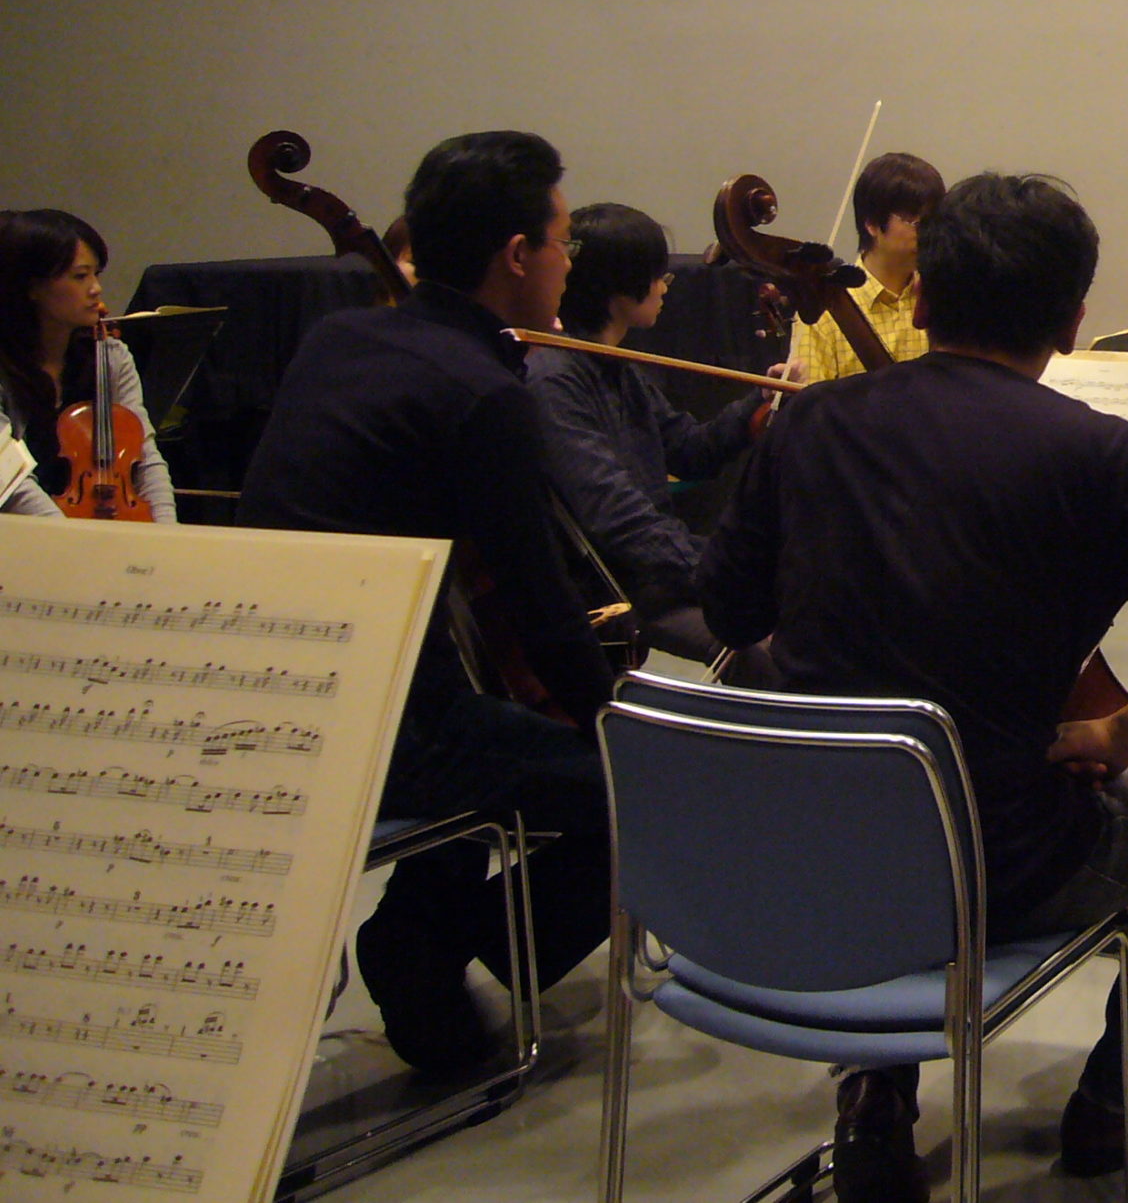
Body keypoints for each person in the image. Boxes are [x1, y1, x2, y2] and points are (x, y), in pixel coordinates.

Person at [697, 172, 1128, 1196]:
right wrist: (1120, 733)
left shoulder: (807, 423)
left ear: (923, 299)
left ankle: (874, 1093)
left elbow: (725, 609)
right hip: (991, 861)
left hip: (799, 852)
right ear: (1071, 323)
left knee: (895, 788)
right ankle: (1118, 1107)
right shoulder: (1097, 455)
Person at [239, 132, 614, 1076]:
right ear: (518, 254)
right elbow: (541, 604)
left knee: (487, 732)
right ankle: (425, 942)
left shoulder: (340, 337)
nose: (569, 262)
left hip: (267, 690)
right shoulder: (481, 389)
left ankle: (420, 946)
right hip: (379, 726)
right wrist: (622, 728)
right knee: (642, 799)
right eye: (563, 241)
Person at [526, 203, 768, 665]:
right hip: (621, 595)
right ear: (619, 284)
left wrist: (760, 402)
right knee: (767, 650)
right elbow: (619, 520)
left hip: (658, 578)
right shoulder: (555, 378)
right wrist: (721, 570)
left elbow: (692, 451)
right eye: (657, 275)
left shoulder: (619, 368)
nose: (664, 286)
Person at [0, 209, 175, 522]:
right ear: (31, 287)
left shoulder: (110, 355)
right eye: (80, 276)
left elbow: (145, 457)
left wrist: (165, 532)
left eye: (97, 274)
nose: (96, 288)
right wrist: (74, 541)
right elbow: (11, 483)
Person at [787, 151, 944, 381]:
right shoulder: (824, 310)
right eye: (917, 222)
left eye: (934, 222)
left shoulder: (940, 301)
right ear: (872, 223)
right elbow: (813, 400)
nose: (929, 234)